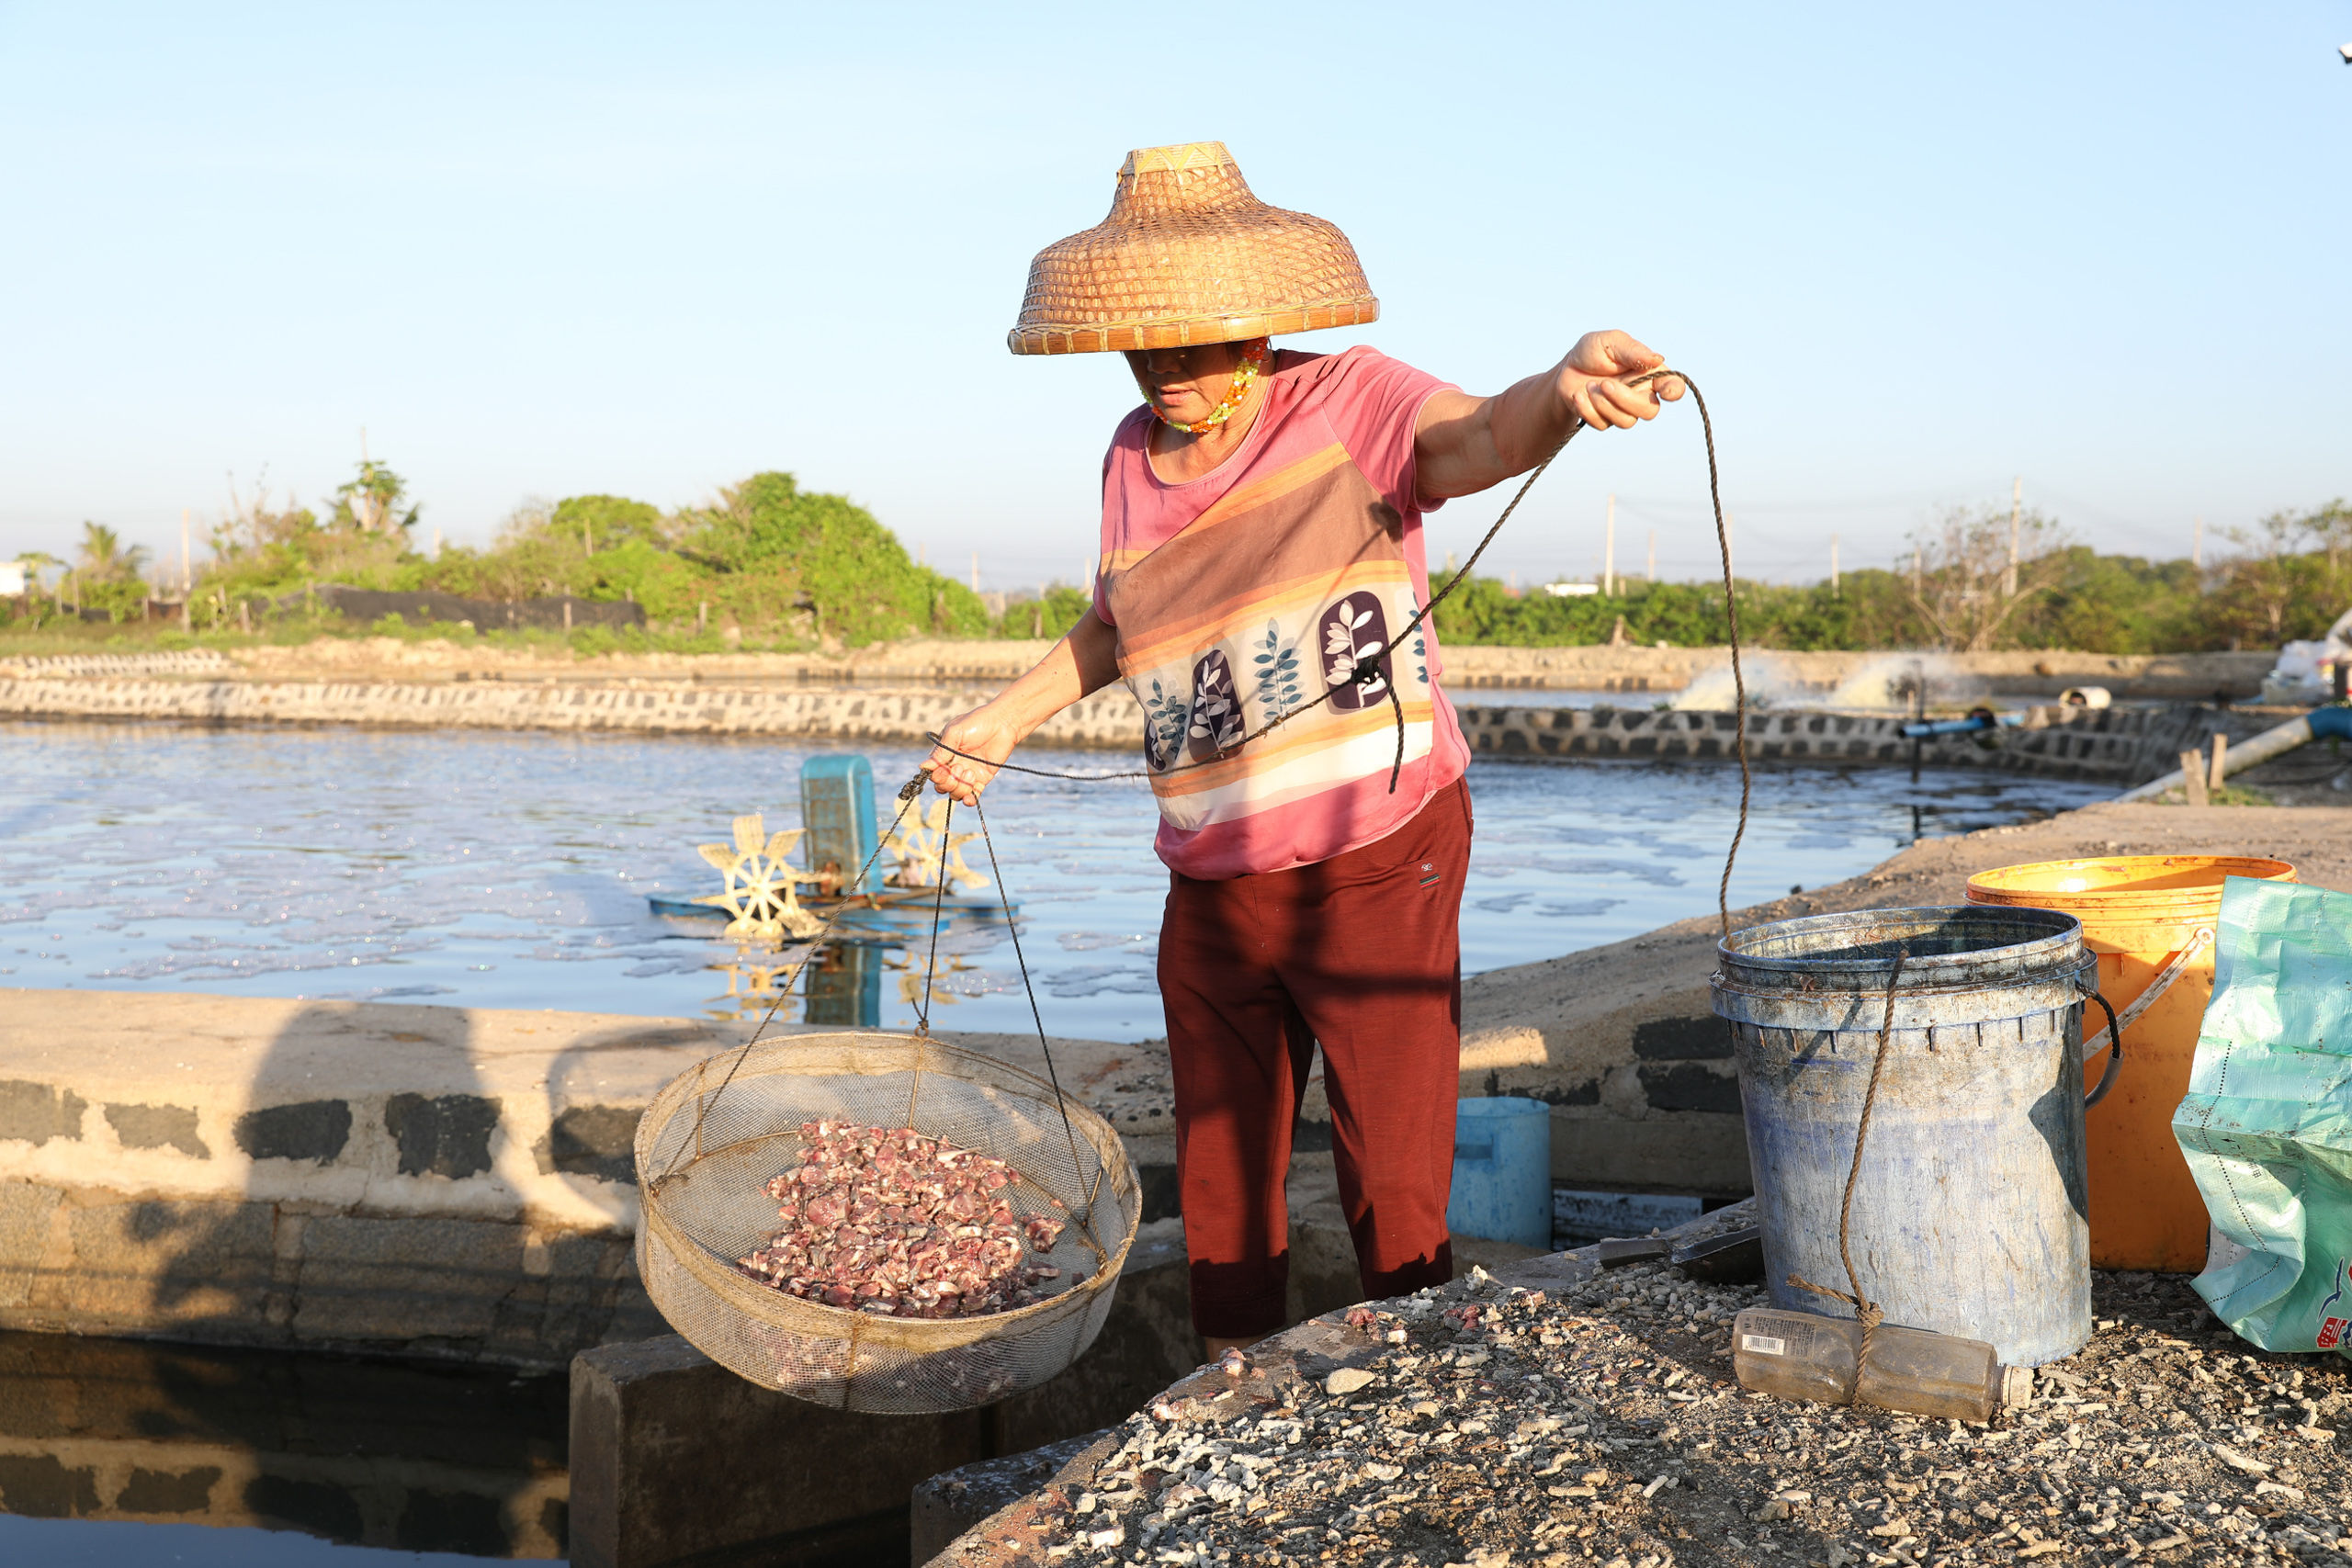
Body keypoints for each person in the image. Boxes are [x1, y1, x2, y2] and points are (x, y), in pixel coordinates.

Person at [924, 141, 1680, 1359]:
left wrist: (1560, 387)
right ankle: (1235, 1382)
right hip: (1212, 871)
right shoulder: (1127, 451)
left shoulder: (1353, 402)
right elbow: (1128, 620)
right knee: (1222, 1153)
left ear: (1260, 327)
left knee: (1391, 1146)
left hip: (1377, 854)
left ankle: (1417, 1370)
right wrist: (999, 724)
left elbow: (1480, 438)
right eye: (1148, 345)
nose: (1170, 369)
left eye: (1198, 342)